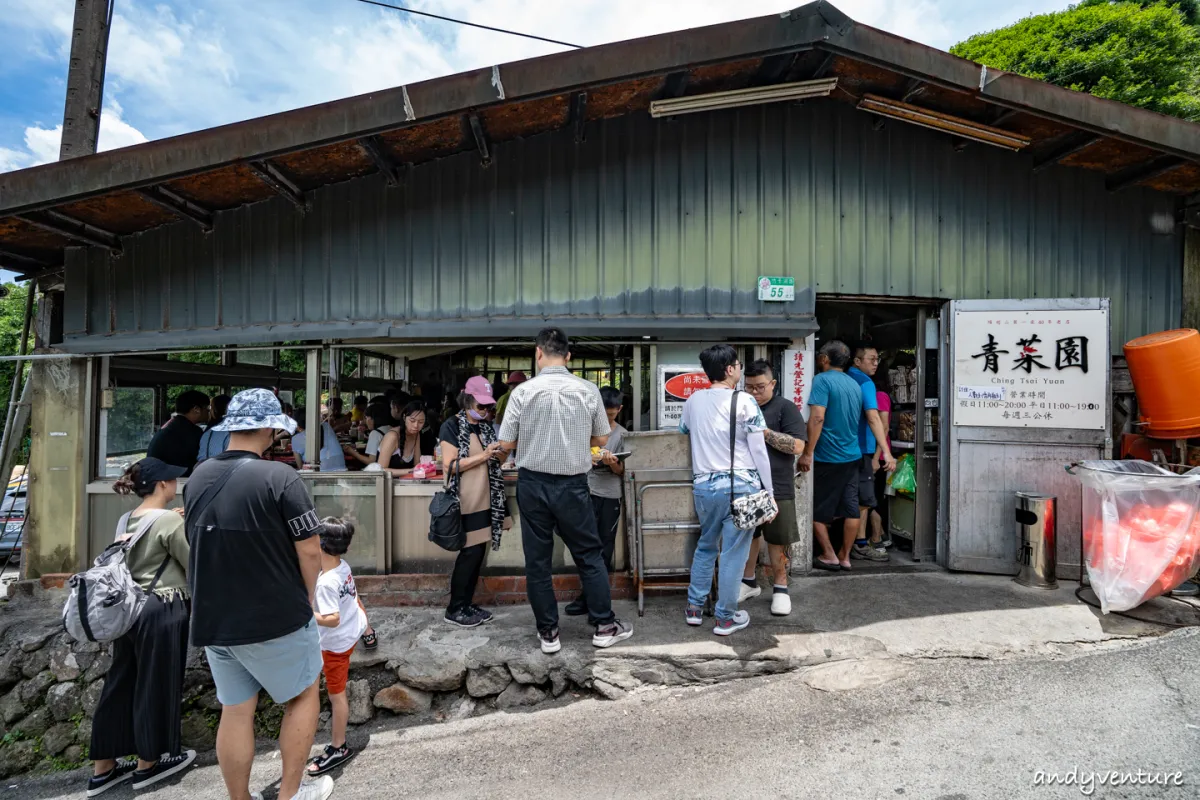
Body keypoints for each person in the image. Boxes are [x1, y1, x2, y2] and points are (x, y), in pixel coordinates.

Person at [184, 389, 332, 800]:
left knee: (236, 709)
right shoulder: (280, 477)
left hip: (215, 616)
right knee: (302, 696)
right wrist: (306, 598)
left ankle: (240, 798)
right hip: (274, 612)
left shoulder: (198, 476)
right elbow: (309, 551)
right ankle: (290, 793)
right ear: (270, 428)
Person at [498, 327, 633, 654]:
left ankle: (549, 634)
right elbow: (602, 440)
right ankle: (604, 625)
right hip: (573, 485)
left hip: (532, 484)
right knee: (589, 554)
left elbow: (505, 444)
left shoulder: (522, 392)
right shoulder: (587, 390)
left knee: (538, 562)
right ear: (569, 356)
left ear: (538, 353)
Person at [87, 458, 197, 797]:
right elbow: (190, 562)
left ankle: (103, 767)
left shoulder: (127, 518)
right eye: (173, 480)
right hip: (163, 606)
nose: (176, 484)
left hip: (129, 609)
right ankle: (149, 762)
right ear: (163, 484)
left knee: (122, 680)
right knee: (156, 680)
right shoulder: (167, 520)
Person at [679, 345, 775, 636]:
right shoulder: (745, 401)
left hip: (705, 486)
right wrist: (769, 492)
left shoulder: (693, 401)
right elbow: (758, 450)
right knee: (733, 554)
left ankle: (694, 609)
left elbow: (685, 430)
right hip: (741, 486)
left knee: (706, 545)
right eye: (738, 365)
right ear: (730, 369)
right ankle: (725, 618)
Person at [439, 377, 513, 628]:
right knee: (469, 553)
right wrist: (484, 456)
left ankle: (466, 604)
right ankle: (455, 608)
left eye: (487, 407)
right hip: (466, 500)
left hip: (486, 499)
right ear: (466, 399)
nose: (484, 411)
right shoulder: (451, 426)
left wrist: (500, 455)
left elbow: (494, 463)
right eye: (480, 406)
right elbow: (450, 466)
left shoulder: (485, 427)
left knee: (477, 553)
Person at [739, 360, 807, 617]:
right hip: (746, 484)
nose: (754, 393)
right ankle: (748, 582)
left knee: (778, 539)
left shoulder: (785, 408)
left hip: (778, 485)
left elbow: (798, 446)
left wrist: (764, 432)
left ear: (773, 384)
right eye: (749, 388)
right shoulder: (741, 407)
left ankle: (780, 587)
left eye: (760, 387)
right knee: (749, 535)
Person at [307, 518, 368, 777]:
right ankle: (369, 630)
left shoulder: (325, 583)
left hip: (336, 646)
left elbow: (332, 619)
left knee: (336, 694)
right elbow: (353, 598)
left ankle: (339, 746)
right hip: (353, 630)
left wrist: (306, 614)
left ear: (320, 545)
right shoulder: (342, 566)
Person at [799, 341, 865, 571]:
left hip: (828, 456)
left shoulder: (822, 380)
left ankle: (829, 555)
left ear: (825, 358)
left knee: (816, 509)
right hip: (852, 455)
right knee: (851, 507)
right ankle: (845, 556)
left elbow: (817, 417)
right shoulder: (854, 384)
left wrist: (808, 453)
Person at [566, 386, 627, 617]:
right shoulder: (584, 430)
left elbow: (622, 471)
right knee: (585, 547)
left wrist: (610, 462)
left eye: (611, 414)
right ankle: (587, 597)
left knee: (604, 548)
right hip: (585, 492)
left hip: (610, 495)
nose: (607, 417)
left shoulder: (622, 434)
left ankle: (598, 602)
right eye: (604, 412)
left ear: (619, 410)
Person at [847, 343, 897, 562]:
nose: (875, 363)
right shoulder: (865, 383)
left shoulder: (845, 379)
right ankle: (860, 544)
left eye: (877, 359)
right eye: (871, 359)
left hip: (844, 449)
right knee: (865, 500)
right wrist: (883, 453)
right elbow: (876, 420)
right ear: (857, 361)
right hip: (862, 449)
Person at [147, 390, 210, 474]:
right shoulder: (192, 432)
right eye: (207, 409)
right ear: (196, 409)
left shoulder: (172, 425)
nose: (209, 413)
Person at [376, 401, 438, 476]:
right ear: (404, 417)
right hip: (386, 484)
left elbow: (417, 464)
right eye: (412, 421)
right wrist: (411, 471)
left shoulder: (416, 434)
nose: (416, 425)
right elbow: (381, 470)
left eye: (421, 422)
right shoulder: (392, 436)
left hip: (405, 484)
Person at [292, 408, 348, 472]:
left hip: (319, 477)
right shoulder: (327, 426)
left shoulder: (296, 439)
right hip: (342, 472)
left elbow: (300, 467)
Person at [343, 404, 392, 468]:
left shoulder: (375, 433)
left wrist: (351, 452)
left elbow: (371, 461)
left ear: (372, 418)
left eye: (366, 418)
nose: (365, 421)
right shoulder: (391, 428)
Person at [197, 394, 232, 464]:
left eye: (210, 407)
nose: (209, 411)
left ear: (214, 410)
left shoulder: (209, 432)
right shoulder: (233, 430)